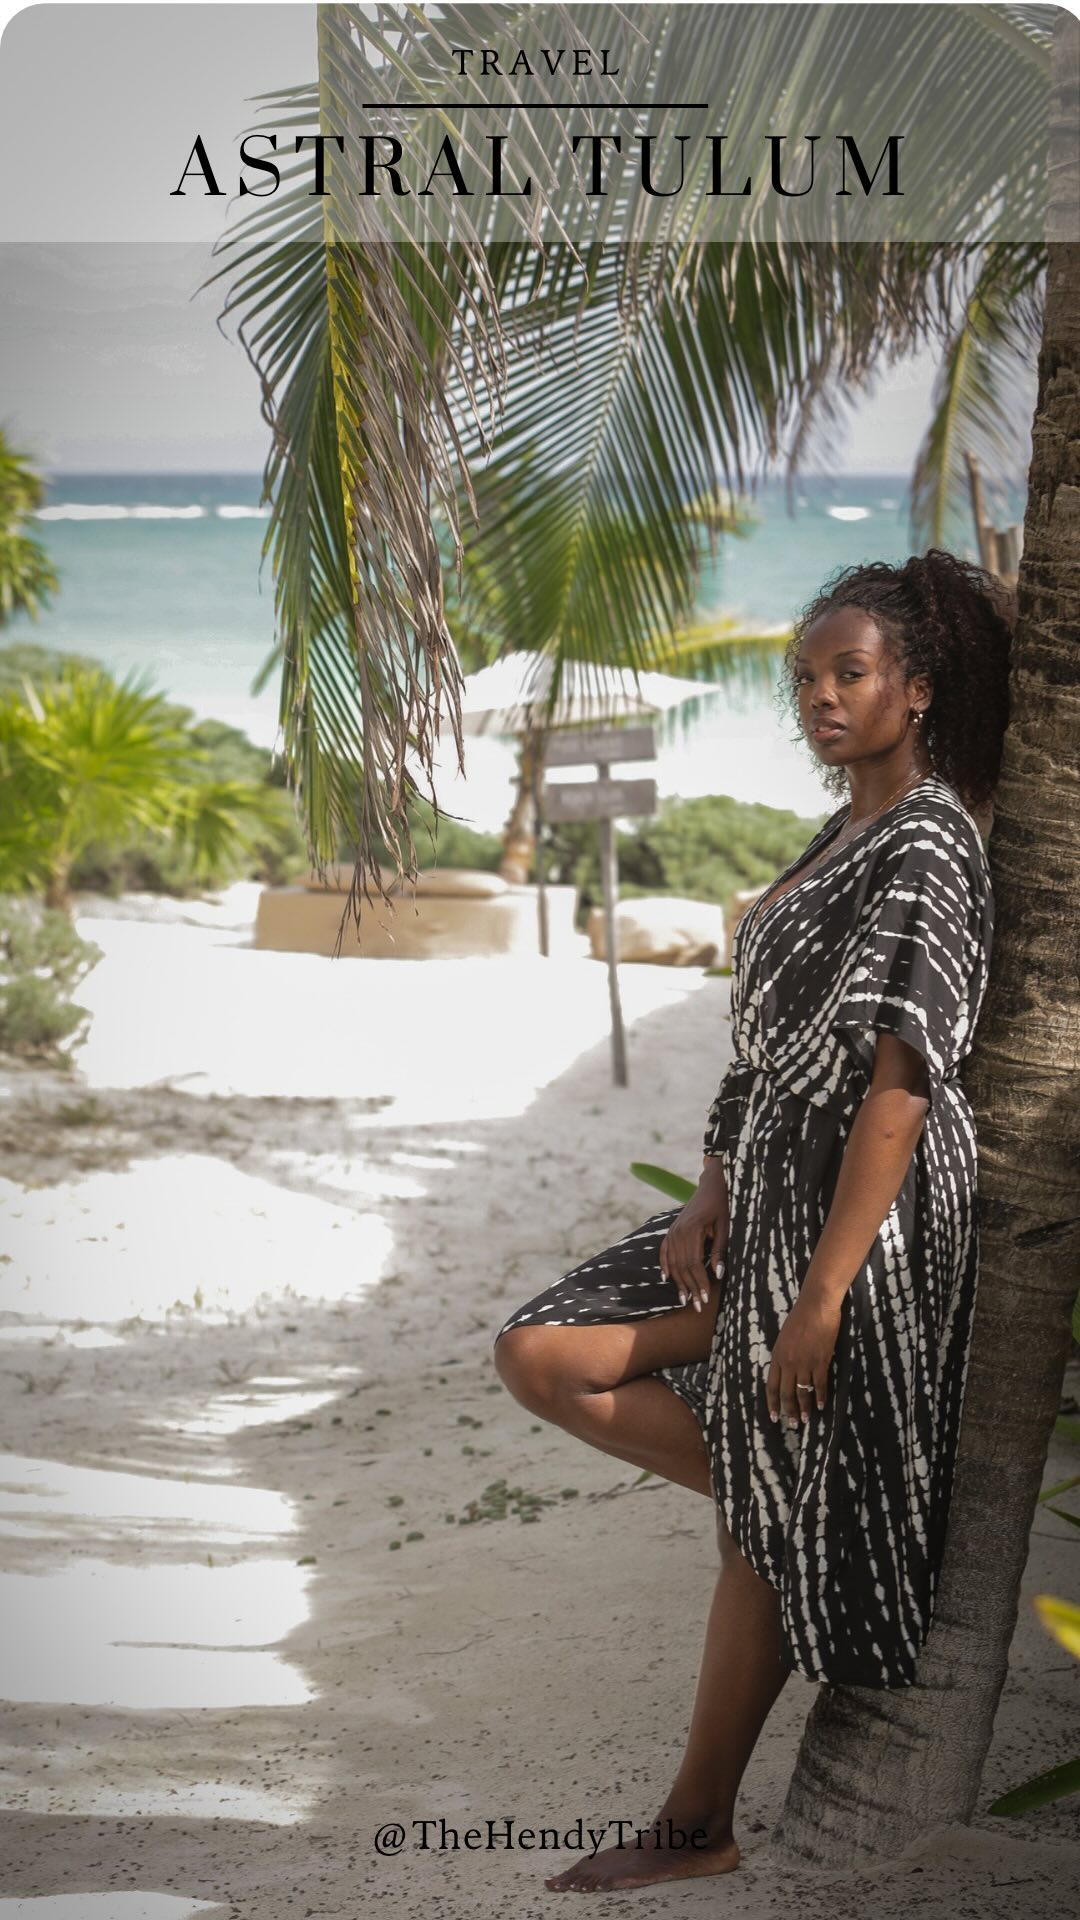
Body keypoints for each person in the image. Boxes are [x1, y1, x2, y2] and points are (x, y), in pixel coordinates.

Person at [490, 549, 1013, 1893]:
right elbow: (758, 1051)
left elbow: (900, 1086)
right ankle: (814, 1514)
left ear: (918, 688)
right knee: (543, 1353)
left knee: (752, 1520)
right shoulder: (837, 834)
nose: (822, 697)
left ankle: (694, 1826)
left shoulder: (930, 841)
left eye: (852, 673)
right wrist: (714, 1184)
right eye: (807, 679)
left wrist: (827, 1295)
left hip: (859, 1215)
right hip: (764, 1192)